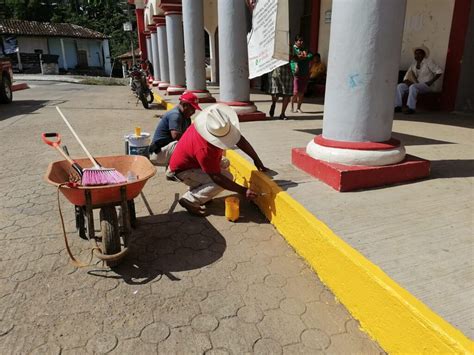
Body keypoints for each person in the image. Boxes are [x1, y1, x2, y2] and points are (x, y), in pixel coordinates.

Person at [167, 103, 268, 216]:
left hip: (190, 163)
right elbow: (216, 177)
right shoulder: (205, 149)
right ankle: (190, 199)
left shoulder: (207, 125)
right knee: (227, 177)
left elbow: (239, 140)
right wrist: (243, 191)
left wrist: (256, 159)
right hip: (181, 171)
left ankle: (199, 189)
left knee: (224, 162)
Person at [149, 92, 201, 166]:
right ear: (185, 105)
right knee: (189, 146)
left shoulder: (186, 117)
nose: (194, 112)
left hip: (167, 149)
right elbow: (176, 136)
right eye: (192, 108)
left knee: (190, 143)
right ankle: (174, 171)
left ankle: (173, 170)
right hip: (159, 152)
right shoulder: (175, 115)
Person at [395, 45, 443, 114]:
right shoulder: (413, 65)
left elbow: (439, 71)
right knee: (400, 86)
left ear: (424, 54)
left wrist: (430, 82)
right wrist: (408, 82)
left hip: (426, 86)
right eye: (416, 54)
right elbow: (405, 78)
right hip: (416, 85)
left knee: (413, 87)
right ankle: (398, 106)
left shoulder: (428, 62)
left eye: (419, 53)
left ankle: (411, 108)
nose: (417, 55)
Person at [290, 35, 313, 113]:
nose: (301, 42)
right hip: (297, 73)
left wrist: (306, 57)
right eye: (299, 41)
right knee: (296, 91)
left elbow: (311, 55)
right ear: (296, 41)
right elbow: (292, 59)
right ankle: (292, 106)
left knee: (302, 92)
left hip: (305, 72)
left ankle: (298, 107)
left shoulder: (305, 49)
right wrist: (295, 66)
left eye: (302, 40)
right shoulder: (293, 49)